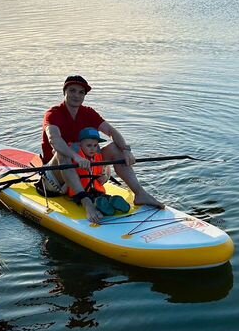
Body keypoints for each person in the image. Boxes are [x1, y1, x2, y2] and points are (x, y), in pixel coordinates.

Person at [41, 75, 163, 222]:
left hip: (85, 170)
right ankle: (86, 203)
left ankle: (140, 193)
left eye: (81, 92)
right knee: (62, 153)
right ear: (64, 92)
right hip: (56, 177)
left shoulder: (88, 113)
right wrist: (76, 157)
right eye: (72, 91)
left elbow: (112, 132)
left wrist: (125, 150)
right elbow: (54, 139)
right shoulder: (53, 114)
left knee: (116, 149)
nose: (76, 95)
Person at [67, 127, 131, 216]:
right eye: (89, 146)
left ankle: (113, 201)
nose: (92, 149)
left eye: (95, 145)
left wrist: (105, 175)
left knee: (103, 197)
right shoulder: (75, 156)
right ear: (80, 145)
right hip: (81, 193)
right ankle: (98, 205)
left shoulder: (98, 156)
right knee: (94, 200)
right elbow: (60, 153)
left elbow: (106, 166)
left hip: (97, 190)